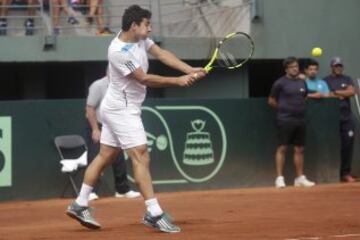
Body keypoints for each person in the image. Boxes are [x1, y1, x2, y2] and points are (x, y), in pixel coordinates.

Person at [66, 4, 206, 233]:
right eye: (147, 25)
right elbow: (144, 79)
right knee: (140, 155)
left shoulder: (140, 39)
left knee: (106, 155)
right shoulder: (118, 52)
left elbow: (161, 53)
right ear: (134, 26)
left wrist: (189, 69)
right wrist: (178, 81)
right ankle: (154, 212)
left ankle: (80, 204)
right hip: (122, 109)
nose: (149, 29)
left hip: (116, 106)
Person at [85, 72, 140, 200]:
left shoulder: (120, 86)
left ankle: (122, 190)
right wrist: (95, 129)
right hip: (97, 126)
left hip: (114, 126)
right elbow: (89, 108)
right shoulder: (97, 85)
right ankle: (90, 191)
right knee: (95, 158)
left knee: (119, 158)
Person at [268, 56, 315, 189]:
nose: (295, 69)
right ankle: (279, 178)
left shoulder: (302, 82)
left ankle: (299, 178)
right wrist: (283, 108)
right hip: (285, 119)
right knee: (282, 148)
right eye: (292, 67)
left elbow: (305, 96)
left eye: (296, 66)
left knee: (299, 148)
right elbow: (271, 100)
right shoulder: (279, 83)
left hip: (300, 119)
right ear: (286, 69)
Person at [324, 57, 356, 183]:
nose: (338, 68)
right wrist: (342, 93)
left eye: (340, 66)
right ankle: (330, 173)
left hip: (346, 118)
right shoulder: (325, 80)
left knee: (347, 145)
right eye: (336, 66)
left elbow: (352, 92)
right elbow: (325, 95)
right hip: (330, 119)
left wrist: (335, 92)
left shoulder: (347, 79)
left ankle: (345, 173)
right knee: (330, 146)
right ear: (331, 67)